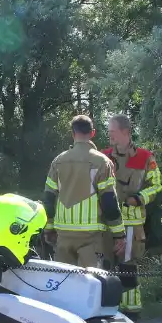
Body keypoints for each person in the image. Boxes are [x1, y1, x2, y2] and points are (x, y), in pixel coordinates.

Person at [43, 115, 126, 268]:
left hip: (63, 235)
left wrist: (49, 228)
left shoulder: (58, 161)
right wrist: (119, 234)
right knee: (90, 285)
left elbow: (48, 199)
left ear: (72, 133)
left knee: (64, 284)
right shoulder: (102, 162)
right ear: (92, 133)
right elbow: (109, 201)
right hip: (91, 237)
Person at [102, 114, 162, 317]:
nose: (109, 135)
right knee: (105, 267)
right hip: (107, 224)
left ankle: (132, 315)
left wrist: (139, 198)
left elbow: (156, 185)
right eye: (108, 131)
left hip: (131, 223)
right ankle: (107, 312)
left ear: (126, 132)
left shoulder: (145, 157)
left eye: (113, 131)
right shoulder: (103, 157)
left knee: (128, 267)